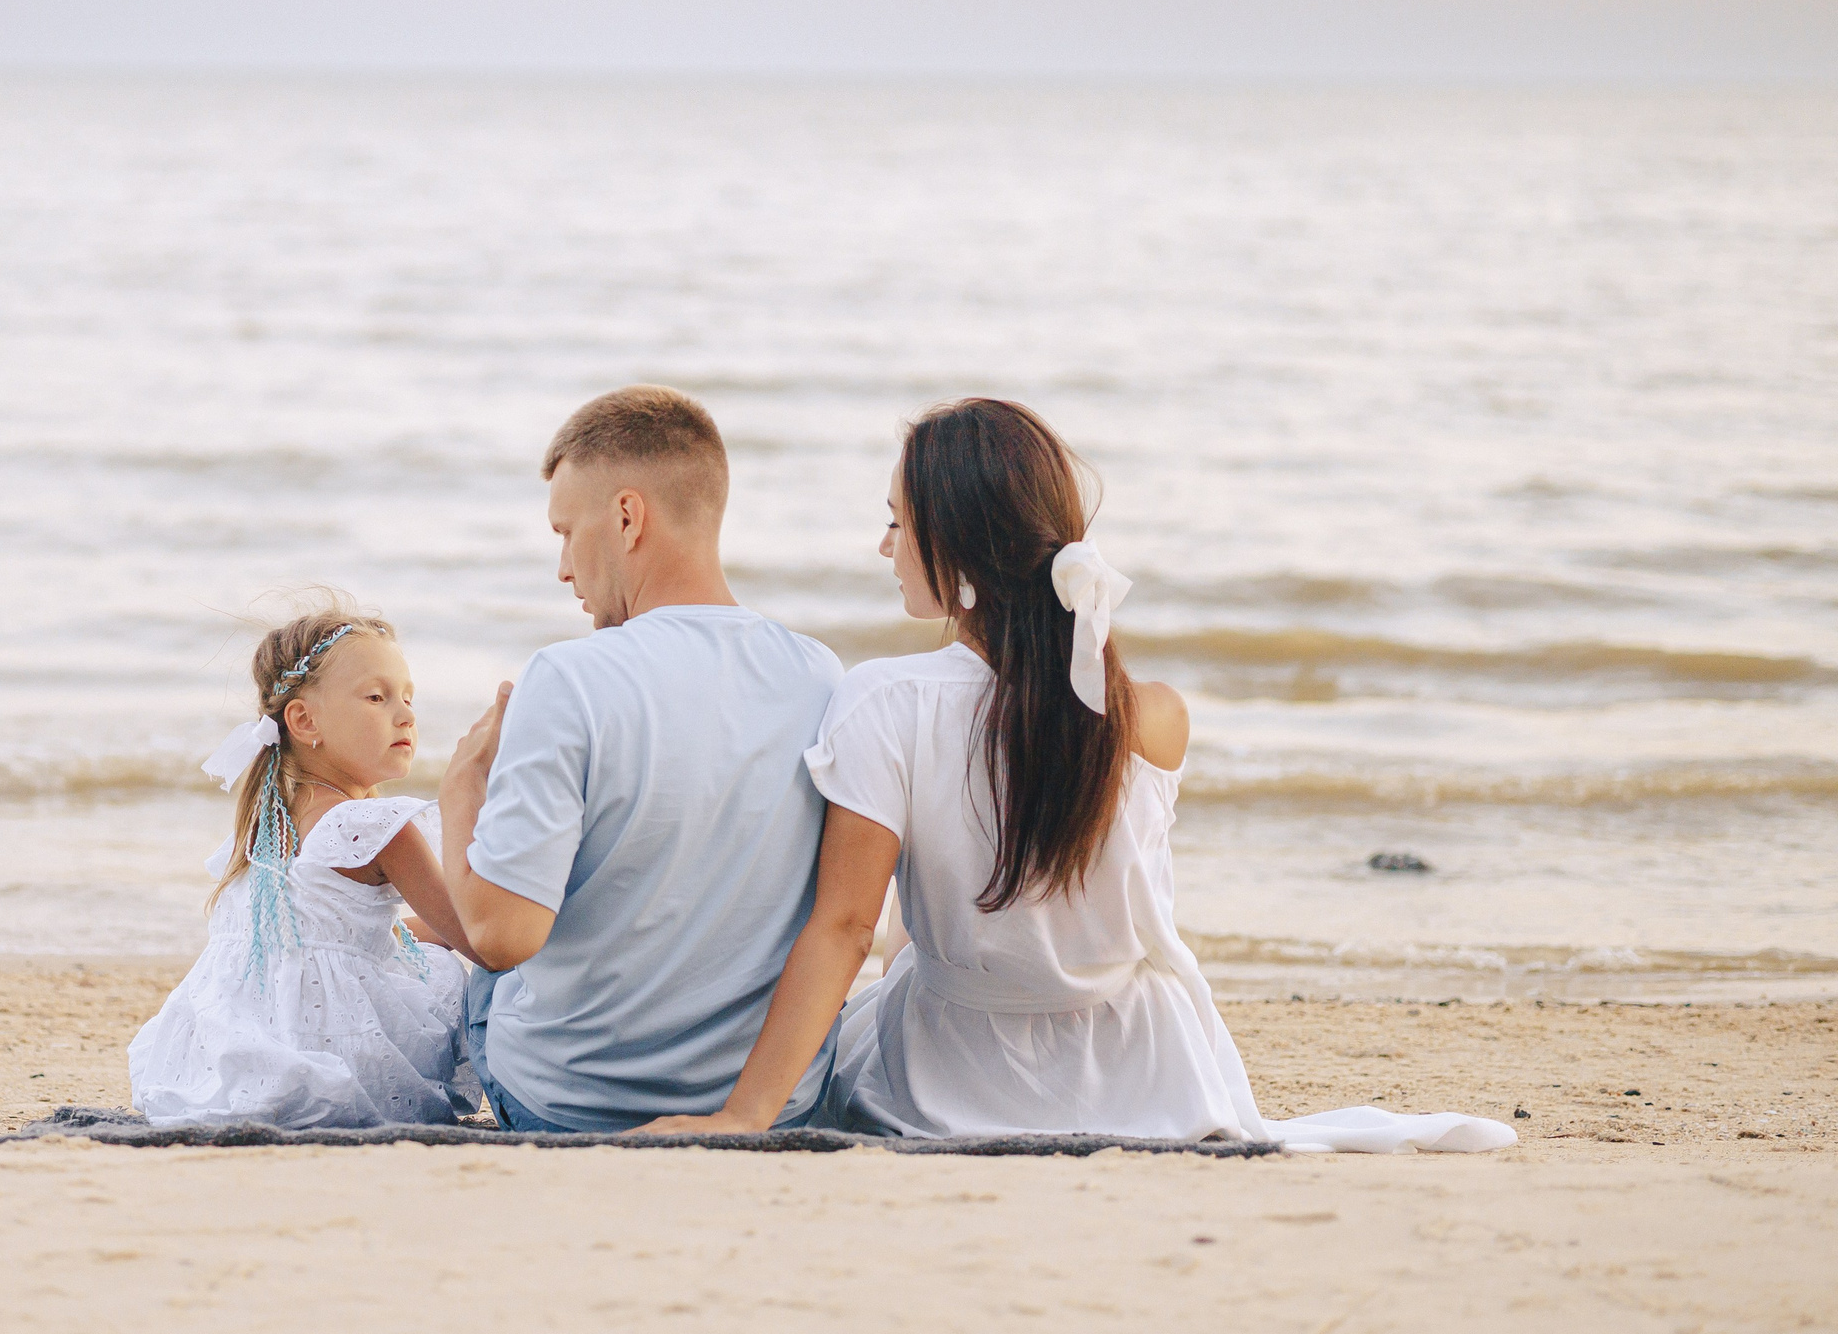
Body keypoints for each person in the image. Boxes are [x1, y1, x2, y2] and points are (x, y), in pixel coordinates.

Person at [645, 399, 1515, 1155]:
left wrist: (746, 1110)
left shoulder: (883, 701)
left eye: (898, 523)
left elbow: (842, 926)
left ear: (959, 545)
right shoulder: (1152, 716)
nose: (883, 545)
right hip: (1150, 1068)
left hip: (958, 1077)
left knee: (911, 959)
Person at [434, 385, 844, 1131]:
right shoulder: (821, 674)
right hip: (772, 1103)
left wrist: (460, 796)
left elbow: (501, 935)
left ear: (627, 517)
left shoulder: (569, 678)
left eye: (566, 532)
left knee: (462, 974)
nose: (563, 568)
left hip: (573, 1103)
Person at [126, 607, 481, 1128]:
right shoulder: (374, 825)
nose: (405, 716)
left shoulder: (263, 826)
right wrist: (473, 795)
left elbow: (324, 934)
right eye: (377, 698)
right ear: (304, 720)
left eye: (408, 698)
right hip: (336, 1052)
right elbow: (477, 936)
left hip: (220, 1052)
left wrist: (431, 935)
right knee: (451, 978)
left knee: (421, 948)